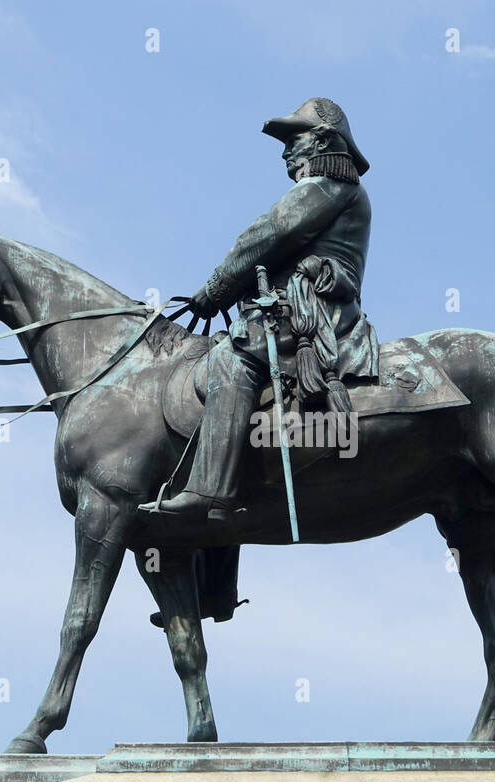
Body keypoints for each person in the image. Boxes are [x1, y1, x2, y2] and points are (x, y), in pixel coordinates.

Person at [140, 97, 379, 522]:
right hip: (303, 305)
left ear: (322, 140)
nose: (287, 151)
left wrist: (214, 290)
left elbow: (268, 234)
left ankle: (211, 492)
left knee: (234, 361)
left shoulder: (327, 186)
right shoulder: (340, 190)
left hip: (310, 313)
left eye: (294, 139)